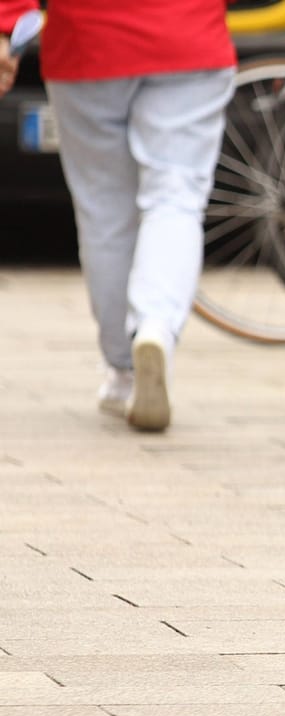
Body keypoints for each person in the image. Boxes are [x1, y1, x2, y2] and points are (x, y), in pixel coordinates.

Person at [0, 2, 236, 431]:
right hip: (188, 36)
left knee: (103, 213)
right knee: (175, 197)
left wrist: (8, 24)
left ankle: (123, 370)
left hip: (86, 44)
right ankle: (156, 327)